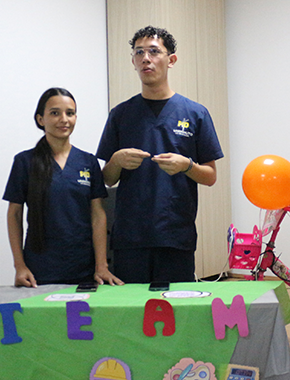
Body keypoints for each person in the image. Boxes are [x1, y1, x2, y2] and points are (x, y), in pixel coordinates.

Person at [96, 26, 223, 284]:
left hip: (175, 235)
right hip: (130, 238)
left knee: (177, 312)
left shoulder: (195, 113)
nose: (146, 58)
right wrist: (117, 161)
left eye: (154, 51)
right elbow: (107, 180)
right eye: (139, 52)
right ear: (133, 61)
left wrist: (187, 165)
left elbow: (210, 177)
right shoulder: (120, 115)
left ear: (171, 60)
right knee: (131, 315)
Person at [3, 87, 123, 287]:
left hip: (83, 269)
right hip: (39, 271)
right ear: (41, 119)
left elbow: (98, 215)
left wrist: (101, 266)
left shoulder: (88, 162)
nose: (64, 119)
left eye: (70, 113)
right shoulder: (25, 162)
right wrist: (20, 266)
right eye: (55, 113)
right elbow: (14, 214)